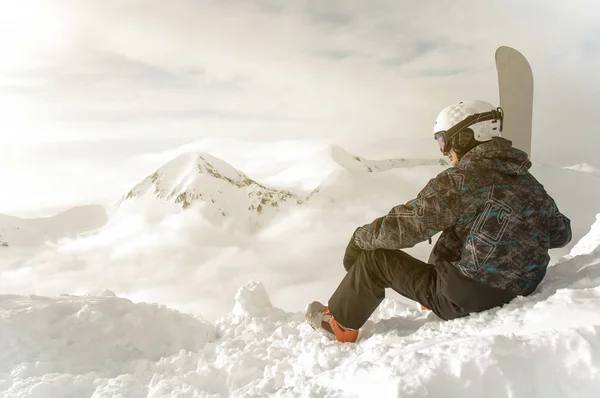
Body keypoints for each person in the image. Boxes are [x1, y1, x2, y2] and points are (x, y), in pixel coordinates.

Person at [306, 100, 572, 343]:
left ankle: (340, 322)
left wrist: (360, 238)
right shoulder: (530, 183)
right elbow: (561, 234)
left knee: (374, 260)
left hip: (468, 297)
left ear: (468, 137)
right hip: (524, 286)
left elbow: (407, 226)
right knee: (461, 227)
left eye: (443, 140)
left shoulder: (461, 179)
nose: (444, 152)